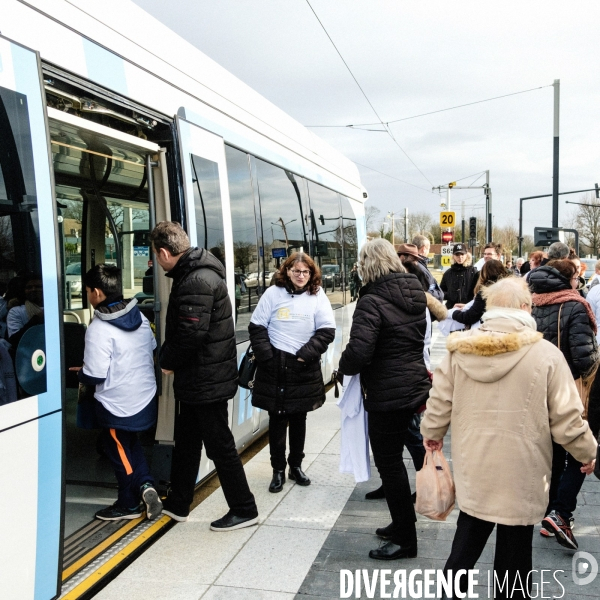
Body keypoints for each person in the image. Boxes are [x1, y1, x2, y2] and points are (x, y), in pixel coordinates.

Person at [421, 277, 597, 599]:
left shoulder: (459, 350)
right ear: (525, 308)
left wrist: (431, 435)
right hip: (522, 474)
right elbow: (567, 419)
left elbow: (439, 401)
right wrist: (587, 453)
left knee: (464, 548)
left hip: (476, 468)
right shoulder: (546, 355)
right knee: (514, 559)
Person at [150, 221, 258, 530]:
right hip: (201, 377)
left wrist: (167, 360)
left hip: (204, 378)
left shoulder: (195, 280)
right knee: (187, 441)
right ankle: (180, 503)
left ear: (163, 252)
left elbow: (189, 332)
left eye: (156, 257)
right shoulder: (198, 273)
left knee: (219, 446)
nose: (156, 263)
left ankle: (244, 508)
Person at [338, 239, 431, 560]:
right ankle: (400, 522)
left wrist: (343, 366)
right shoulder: (414, 291)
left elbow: (359, 352)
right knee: (398, 458)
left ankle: (405, 538)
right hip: (413, 385)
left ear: (368, 264)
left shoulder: (372, 299)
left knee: (389, 464)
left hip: (387, 394)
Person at [70, 264, 162, 521]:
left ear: (97, 293)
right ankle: (145, 485)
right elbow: (151, 350)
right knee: (130, 445)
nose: (88, 296)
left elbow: (96, 374)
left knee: (117, 451)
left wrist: (80, 373)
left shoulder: (98, 328)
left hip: (116, 405)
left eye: (88, 291)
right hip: (145, 398)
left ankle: (129, 503)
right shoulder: (141, 318)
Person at [249, 252, 335, 492]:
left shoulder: (317, 295)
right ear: (287, 271)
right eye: (296, 271)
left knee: (299, 418)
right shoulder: (273, 293)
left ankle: (295, 466)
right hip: (275, 365)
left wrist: (305, 354)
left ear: (312, 274)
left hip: (303, 366)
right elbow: (256, 327)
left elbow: (327, 331)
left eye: (306, 272)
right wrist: (268, 357)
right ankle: (277, 470)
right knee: (277, 419)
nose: (301, 276)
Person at [529, 258, 599, 548]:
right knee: (579, 450)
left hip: (537, 386)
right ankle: (560, 512)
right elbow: (583, 356)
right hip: (570, 388)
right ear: (569, 279)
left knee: (554, 453)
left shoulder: (533, 302)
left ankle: (550, 512)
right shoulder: (574, 304)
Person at [451, 259, 509, 327]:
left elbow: (470, 317)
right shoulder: (511, 289)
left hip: (491, 330)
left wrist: (453, 313)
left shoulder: (485, 293)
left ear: (484, 274)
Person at [440, 243, 478, 309]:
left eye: (462, 254)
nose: (460, 257)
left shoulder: (474, 272)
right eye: (457, 255)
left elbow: (479, 292)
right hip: (451, 308)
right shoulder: (448, 273)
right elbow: (441, 292)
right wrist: (451, 295)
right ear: (453, 256)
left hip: (469, 309)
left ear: (466, 255)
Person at [410, 235, 443, 302]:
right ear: (423, 249)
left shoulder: (416, 264)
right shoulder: (418, 268)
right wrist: (439, 294)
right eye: (428, 249)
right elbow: (426, 291)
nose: (428, 252)